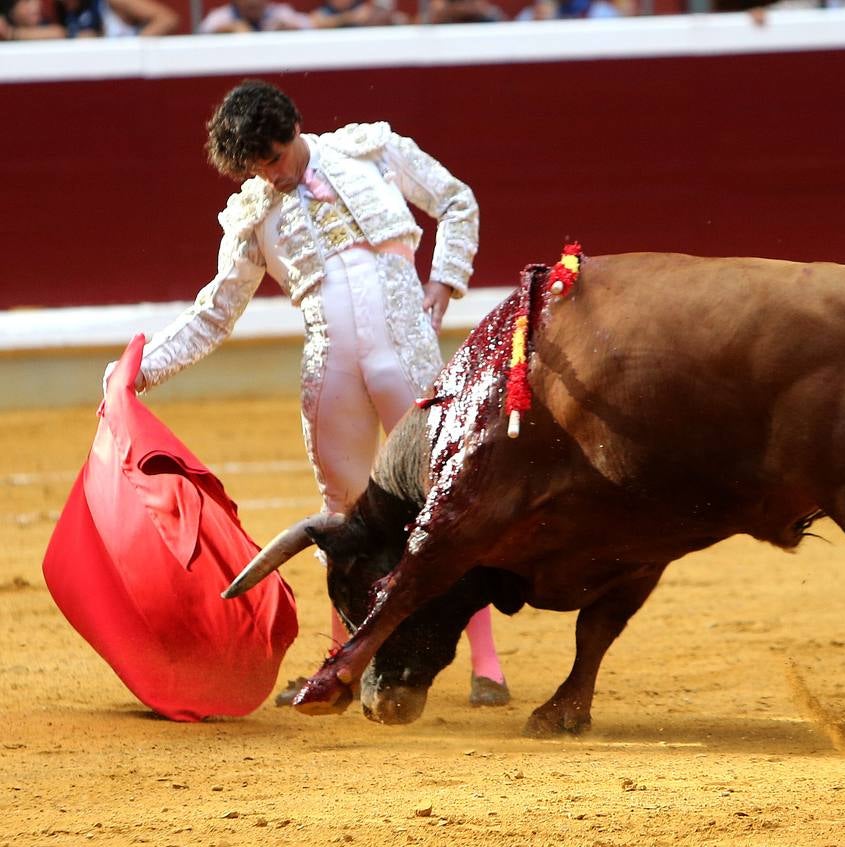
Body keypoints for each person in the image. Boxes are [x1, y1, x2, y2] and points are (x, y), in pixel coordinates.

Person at [104, 80, 509, 708]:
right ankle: (337, 665)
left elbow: (457, 201)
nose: (270, 176)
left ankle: (488, 663)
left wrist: (445, 281)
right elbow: (214, 313)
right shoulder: (254, 213)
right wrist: (139, 368)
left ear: (294, 130)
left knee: (448, 498)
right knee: (342, 516)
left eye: (273, 158)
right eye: (255, 167)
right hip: (332, 371)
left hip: (407, 350)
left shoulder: (371, 151)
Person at [51, 0, 177, 36]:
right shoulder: (64, 13)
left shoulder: (113, 2)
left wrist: (131, 48)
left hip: (130, 73)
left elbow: (167, 18)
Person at [198, 0, 311, 32]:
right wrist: (225, 31)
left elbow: (310, 25)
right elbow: (203, 32)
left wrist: (291, 28)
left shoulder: (281, 13)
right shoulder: (219, 17)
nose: (253, 2)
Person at [1, 0, 66, 38]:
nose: (35, 6)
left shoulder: (45, 25)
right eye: (27, 2)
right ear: (12, 11)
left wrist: (11, 33)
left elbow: (59, 33)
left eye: (36, 1)